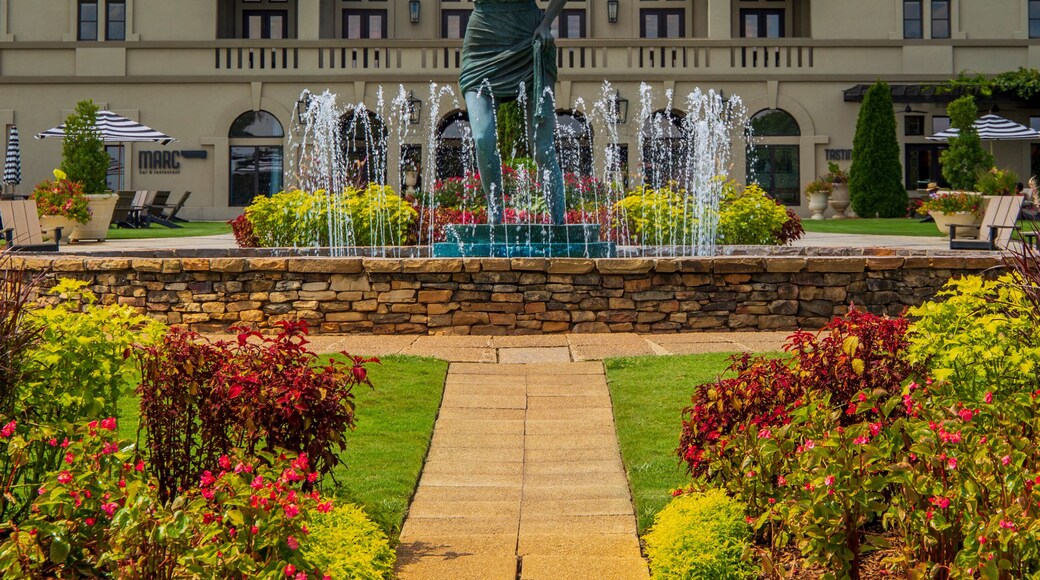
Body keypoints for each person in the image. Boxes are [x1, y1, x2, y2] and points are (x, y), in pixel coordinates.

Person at [460, 0, 570, 225]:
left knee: (543, 147)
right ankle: (495, 212)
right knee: (482, 138)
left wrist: (547, 23)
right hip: (482, 40)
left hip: (529, 37)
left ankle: (560, 224)